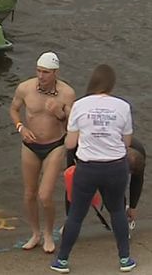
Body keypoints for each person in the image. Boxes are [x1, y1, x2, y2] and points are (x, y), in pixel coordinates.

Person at [50, 64, 136, 273]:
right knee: (116, 210)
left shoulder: (79, 105)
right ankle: (125, 258)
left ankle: (62, 260)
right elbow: (127, 141)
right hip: (115, 167)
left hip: (87, 168)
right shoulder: (122, 106)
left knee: (76, 215)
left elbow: (70, 144)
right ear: (111, 84)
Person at [9, 51, 76, 253]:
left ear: (55, 73)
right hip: (30, 145)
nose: (41, 75)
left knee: (45, 195)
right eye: (38, 71)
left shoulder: (67, 93)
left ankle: (48, 233)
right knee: (29, 193)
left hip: (55, 145)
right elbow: (13, 109)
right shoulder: (25, 88)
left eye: (46, 72)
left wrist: (59, 113)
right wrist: (21, 127)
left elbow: (73, 124)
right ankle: (35, 233)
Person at [65, 137, 146, 227]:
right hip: (82, 150)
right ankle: (69, 221)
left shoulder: (138, 150)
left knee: (115, 189)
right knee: (74, 184)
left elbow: (138, 180)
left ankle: (121, 222)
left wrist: (133, 206)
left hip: (104, 154)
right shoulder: (96, 149)